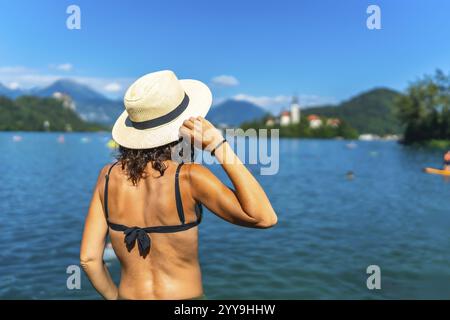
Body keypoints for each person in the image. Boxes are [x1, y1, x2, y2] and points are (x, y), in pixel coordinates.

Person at [80, 70, 277, 300]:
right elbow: (265, 218)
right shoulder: (189, 177)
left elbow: (89, 259)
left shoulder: (107, 176)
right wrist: (219, 146)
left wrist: (115, 298)